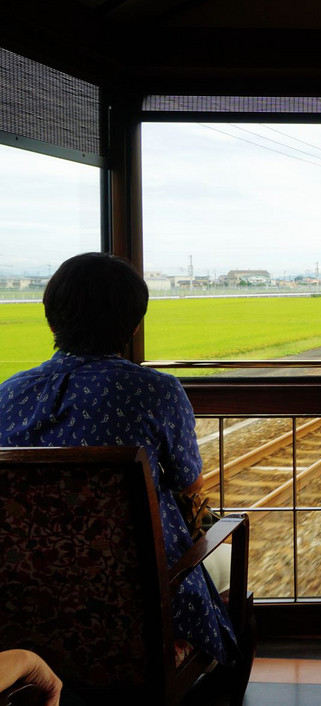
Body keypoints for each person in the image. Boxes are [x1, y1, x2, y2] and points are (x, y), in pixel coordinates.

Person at [0, 253, 235, 665]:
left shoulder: (8, 394)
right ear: (134, 323)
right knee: (225, 557)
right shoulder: (154, 391)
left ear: (52, 318)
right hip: (140, 605)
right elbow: (189, 490)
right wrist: (210, 534)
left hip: (24, 604)